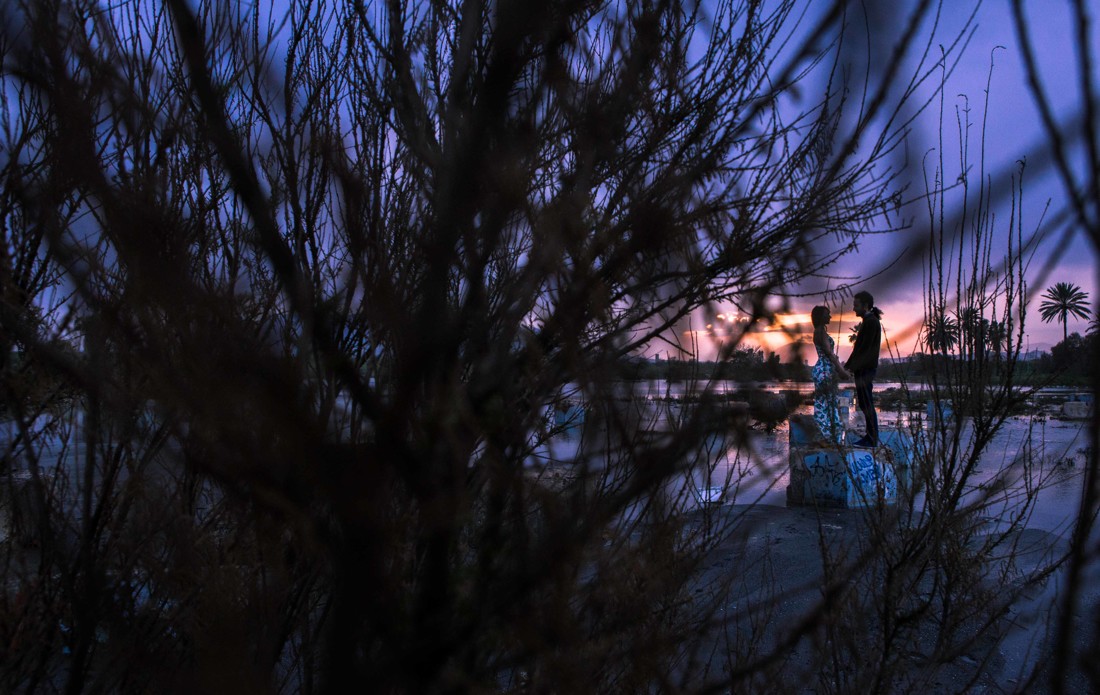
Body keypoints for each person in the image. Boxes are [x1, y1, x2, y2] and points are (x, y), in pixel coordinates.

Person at [844, 290, 883, 447]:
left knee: (866, 403)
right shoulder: (869, 321)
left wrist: (848, 368)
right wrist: (848, 367)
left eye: (856, 305)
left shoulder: (871, 322)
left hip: (865, 369)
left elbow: (862, 349)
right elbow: (859, 349)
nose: (853, 309)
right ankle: (870, 436)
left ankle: (871, 438)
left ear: (865, 305)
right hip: (863, 369)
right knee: (864, 403)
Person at [810, 305, 851, 444]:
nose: (830, 317)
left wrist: (839, 369)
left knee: (828, 403)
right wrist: (841, 371)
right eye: (827, 314)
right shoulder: (820, 332)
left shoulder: (819, 332)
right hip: (824, 370)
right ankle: (826, 436)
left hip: (825, 369)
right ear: (821, 317)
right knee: (825, 403)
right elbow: (830, 354)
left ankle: (829, 436)